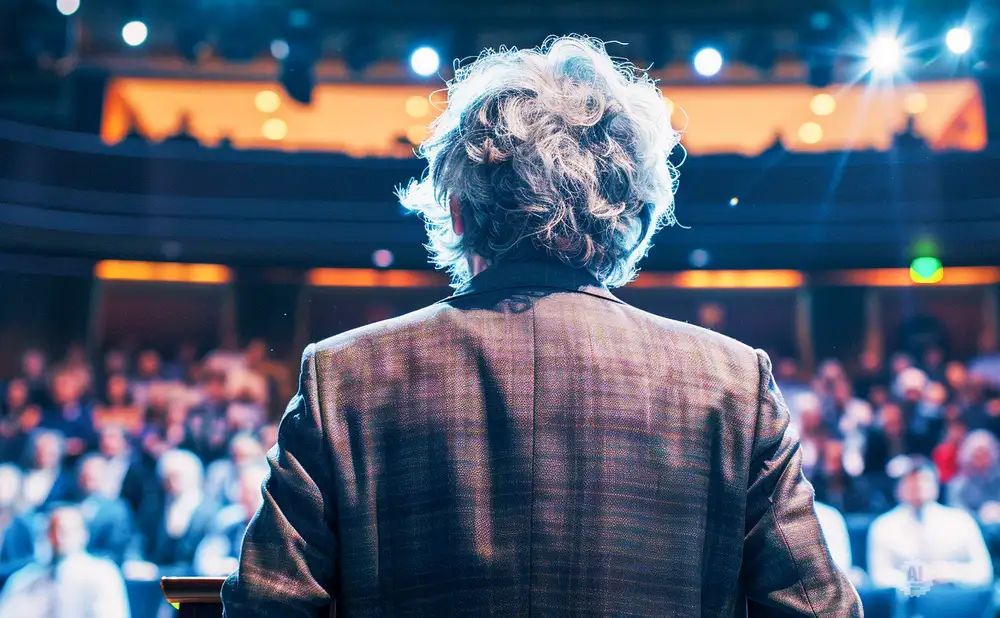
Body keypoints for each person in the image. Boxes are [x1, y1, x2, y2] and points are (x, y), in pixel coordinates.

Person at [222, 36, 861, 616]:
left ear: (459, 212)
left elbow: (266, 607)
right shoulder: (731, 384)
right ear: (631, 216)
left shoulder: (346, 376)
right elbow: (819, 609)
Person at [867, 458, 993, 592]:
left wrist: (949, 572)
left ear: (936, 486)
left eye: (924, 480)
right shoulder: (882, 526)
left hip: (956, 600)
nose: (918, 485)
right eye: (910, 481)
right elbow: (878, 576)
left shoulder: (961, 521)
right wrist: (916, 579)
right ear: (898, 489)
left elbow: (984, 573)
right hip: (906, 603)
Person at [0, 505, 129, 618]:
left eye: (67, 531)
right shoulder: (25, 580)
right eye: (54, 530)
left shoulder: (103, 575)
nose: (60, 538)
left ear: (84, 534)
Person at [194, 464, 268, 576]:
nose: (247, 498)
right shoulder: (228, 523)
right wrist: (225, 566)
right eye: (244, 492)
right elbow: (204, 562)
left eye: (253, 493)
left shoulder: (280, 526)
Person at [74, 455, 133, 565]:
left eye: (92, 477)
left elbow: (116, 548)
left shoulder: (117, 510)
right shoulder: (70, 504)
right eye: (84, 476)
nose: (87, 480)